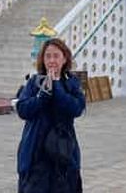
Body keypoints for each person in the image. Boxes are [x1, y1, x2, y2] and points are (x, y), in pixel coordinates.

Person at [16, 38, 85, 193]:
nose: (52, 60)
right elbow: (23, 109)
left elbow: (76, 108)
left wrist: (57, 86)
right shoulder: (34, 82)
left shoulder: (71, 83)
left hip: (63, 148)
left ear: (64, 58)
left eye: (56, 56)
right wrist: (43, 95)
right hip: (36, 148)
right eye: (48, 56)